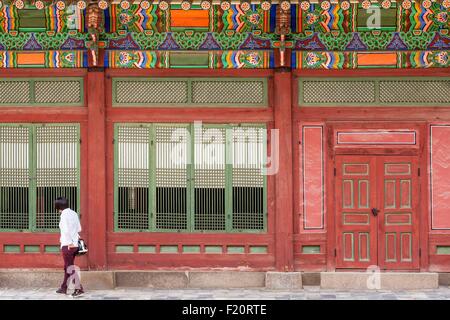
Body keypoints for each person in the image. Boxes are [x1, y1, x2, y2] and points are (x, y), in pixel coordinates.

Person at [54, 197, 84, 297]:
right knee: (67, 266)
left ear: (58, 206)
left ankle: (79, 289)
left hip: (68, 245)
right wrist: (73, 240)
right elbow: (79, 228)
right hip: (75, 244)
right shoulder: (74, 213)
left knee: (69, 267)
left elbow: (66, 230)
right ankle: (64, 287)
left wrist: (70, 242)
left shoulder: (64, 215)